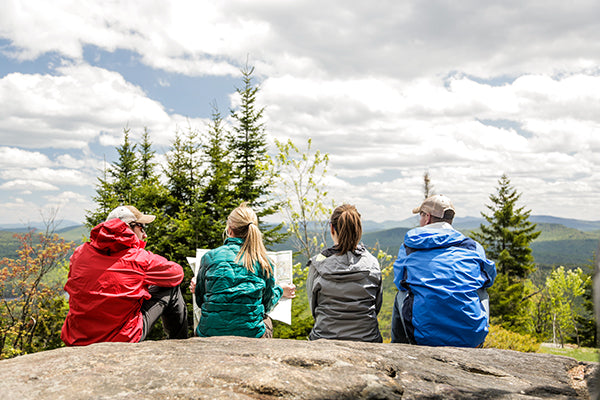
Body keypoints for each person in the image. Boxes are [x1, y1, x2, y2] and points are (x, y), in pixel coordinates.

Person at [61, 206, 188, 345]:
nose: (145, 234)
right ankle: (179, 346)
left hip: (78, 339)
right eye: (142, 227)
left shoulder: (79, 253)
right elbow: (176, 273)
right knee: (171, 288)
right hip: (122, 338)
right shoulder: (139, 259)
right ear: (129, 227)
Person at [391, 194, 496, 347]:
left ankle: (399, 347)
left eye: (420, 215)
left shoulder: (409, 247)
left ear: (427, 217)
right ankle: (478, 340)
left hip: (423, 337)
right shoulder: (473, 247)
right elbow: (489, 279)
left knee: (402, 293)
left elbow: (399, 281)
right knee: (480, 290)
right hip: (470, 339)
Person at [193, 203, 296, 338]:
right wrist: (280, 290)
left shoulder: (209, 257)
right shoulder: (263, 261)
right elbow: (266, 304)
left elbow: (200, 301)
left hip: (208, 333)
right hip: (251, 334)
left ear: (230, 230)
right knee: (266, 321)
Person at [306, 204, 383, 342]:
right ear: (359, 230)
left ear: (332, 228)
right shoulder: (373, 264)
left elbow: (314, 308)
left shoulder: (317, 265)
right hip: (368, 340)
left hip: (325, 338)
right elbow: (377, 305)